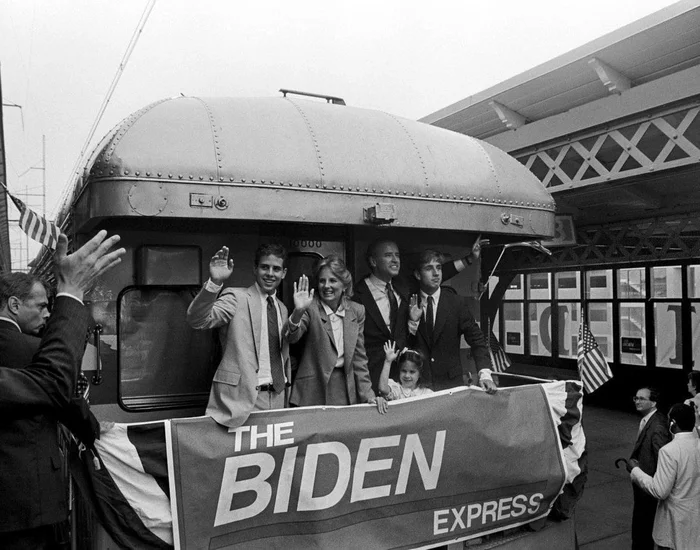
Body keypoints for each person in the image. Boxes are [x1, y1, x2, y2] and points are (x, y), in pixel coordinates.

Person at [0, 230, 125, 550]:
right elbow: (60, 389)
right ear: (14, 305)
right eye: (42, 306)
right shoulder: (28, 348)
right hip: (28, 499)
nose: (46, 315)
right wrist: (71, 293)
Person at [353, 238, 483, 392]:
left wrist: (469, 259)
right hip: (372, 377)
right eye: (388, 255)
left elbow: (436, 275)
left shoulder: (401, 287)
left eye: (397, 255)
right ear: (374, 262)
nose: (395, 260)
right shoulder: (357, 294)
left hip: (404, 382)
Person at [187, 244, 291, 429]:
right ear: (255, 269)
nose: (270, 273)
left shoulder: (282, 309)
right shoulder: (236, 297)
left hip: (277, 398)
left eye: (276, 269)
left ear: (283, 273)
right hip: (239, 402)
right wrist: (214, 283)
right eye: (264, 267)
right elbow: (198, 320)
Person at [286, 255, 379, 409]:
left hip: (344, 390)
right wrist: (298, 311)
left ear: (344, 285)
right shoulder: (310, 307)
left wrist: (368, 395)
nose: (326, 286)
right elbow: (291, 337)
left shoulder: (356, 311)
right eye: (322, 281)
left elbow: (359, 359)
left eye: (333, 280)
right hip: (311, 393)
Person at [407, 249, 496, 393]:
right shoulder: (409, 303)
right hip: (419, 387)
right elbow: (405, 346)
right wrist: (413, 323)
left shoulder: (456, 303)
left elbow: (477, 339)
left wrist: (485, 374)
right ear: (417, 274)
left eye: (439, 268)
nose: (436, 273)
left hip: (450, 386)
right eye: (429, 268)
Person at [629, 403, 700, 550]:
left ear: (673, 423)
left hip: (673, 524)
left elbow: (660, 491)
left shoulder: (669, 451)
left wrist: (635, 471)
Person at [629, 386, 671, 550]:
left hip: (649, 487)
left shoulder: (658, 426)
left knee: (643, 528)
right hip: (642, 485)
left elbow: (663, 459)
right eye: (636, 398)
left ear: (653, 402)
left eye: (642, 399)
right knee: (640, 527)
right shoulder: (647, 419)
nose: (637, 401)